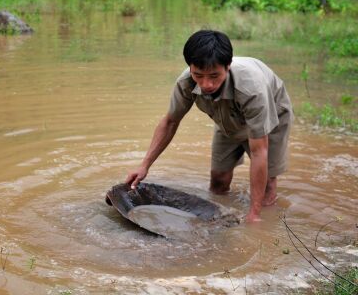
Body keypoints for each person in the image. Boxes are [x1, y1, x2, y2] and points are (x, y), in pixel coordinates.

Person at [126, 30, 293, 222]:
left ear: (228, 66)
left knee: (269, 181)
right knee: (218, 178)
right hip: (227, 117)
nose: (206, 84)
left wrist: (254, 214)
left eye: (214, 76)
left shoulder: (252, 89)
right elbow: (170, 121)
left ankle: (264, 213)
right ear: (190, 68)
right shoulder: (186, 83)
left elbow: (259, 152)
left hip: (271, 114)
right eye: (198, 75)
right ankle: (220, 216)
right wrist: (144, 165)